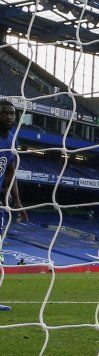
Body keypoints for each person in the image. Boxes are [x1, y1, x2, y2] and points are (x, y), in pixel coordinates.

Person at [0, 98, 26, 312]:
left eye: (12, 113)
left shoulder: (11, 141)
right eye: (5, 113)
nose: (9, 116)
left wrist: (16, 200)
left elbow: (10, 171)